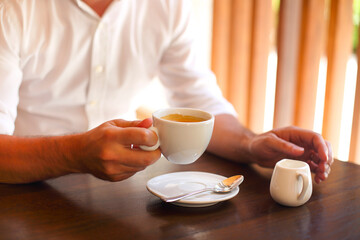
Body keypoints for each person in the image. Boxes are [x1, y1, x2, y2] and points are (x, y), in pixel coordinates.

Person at [0, 0, 332, 184]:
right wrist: (72, 154)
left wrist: (251, 144)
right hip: (21, 188)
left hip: (115, 197)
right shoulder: (12, 9)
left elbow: (200, 103)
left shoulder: (167, 6)